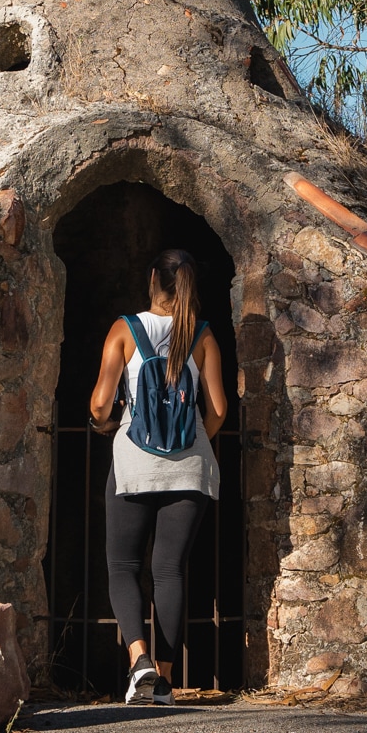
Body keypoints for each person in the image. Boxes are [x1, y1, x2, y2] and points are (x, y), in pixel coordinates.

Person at [88, 248, 227, 705]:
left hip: (134, 464)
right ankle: (164, 682)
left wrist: (103, 426)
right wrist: (189, 445)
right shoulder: (202, 336)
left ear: (153, 279)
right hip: (191, 469)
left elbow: (99, 405)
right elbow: (219, 410)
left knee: (123, 566)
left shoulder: (124, 330)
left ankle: (139, 661)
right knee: (169, 570)